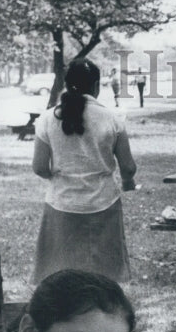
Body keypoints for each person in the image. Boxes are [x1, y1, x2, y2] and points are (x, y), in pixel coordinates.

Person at [32, 57, 137, 284]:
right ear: (97, 86)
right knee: (104, 274)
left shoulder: (48, 119)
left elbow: (39, 167)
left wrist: (61, 177)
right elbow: (128, 167)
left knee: (59, 274)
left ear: (67, 84)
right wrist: (128, 181)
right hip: (103, 202)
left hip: (61, 203)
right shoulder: (113, 118)